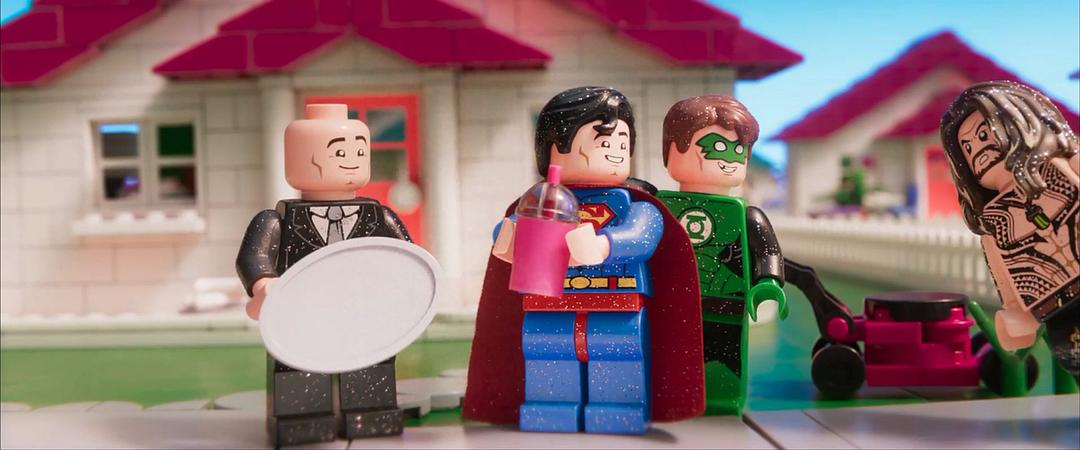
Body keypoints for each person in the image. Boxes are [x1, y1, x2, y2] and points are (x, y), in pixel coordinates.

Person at [463, 86, 704, 434]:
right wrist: (510, 235)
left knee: (618, 352)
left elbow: (644, 234)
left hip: (618, 298)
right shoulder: (541, 200)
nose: (616, 152)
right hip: (549, 300)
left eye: (622, 143)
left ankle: (618, 408)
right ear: (555, 148)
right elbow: (510, 231)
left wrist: (605, 244)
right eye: (604, 142)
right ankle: (552, 406)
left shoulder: (636, 204)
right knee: (547, 350)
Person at [236, 104, 410, 446]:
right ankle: (302, 417)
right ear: (305, 158)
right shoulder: (278, 220)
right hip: (301, 312)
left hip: (363, 310)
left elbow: (407, 257)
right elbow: (254, 256)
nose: (352, 160)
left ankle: (370, 411)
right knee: (298, 366)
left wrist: (399, 293)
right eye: (340, 152)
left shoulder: (379, 216)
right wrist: (264, 284)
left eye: (359, 151)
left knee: (371, 360)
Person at [940, 80, 1079, 383]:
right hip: (1058, 309)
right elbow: (1006, 276)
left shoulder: (1069, 168)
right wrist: (1016, 313)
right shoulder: (995, 222)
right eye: (967, 148)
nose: (978, 151)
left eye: (983, 134)